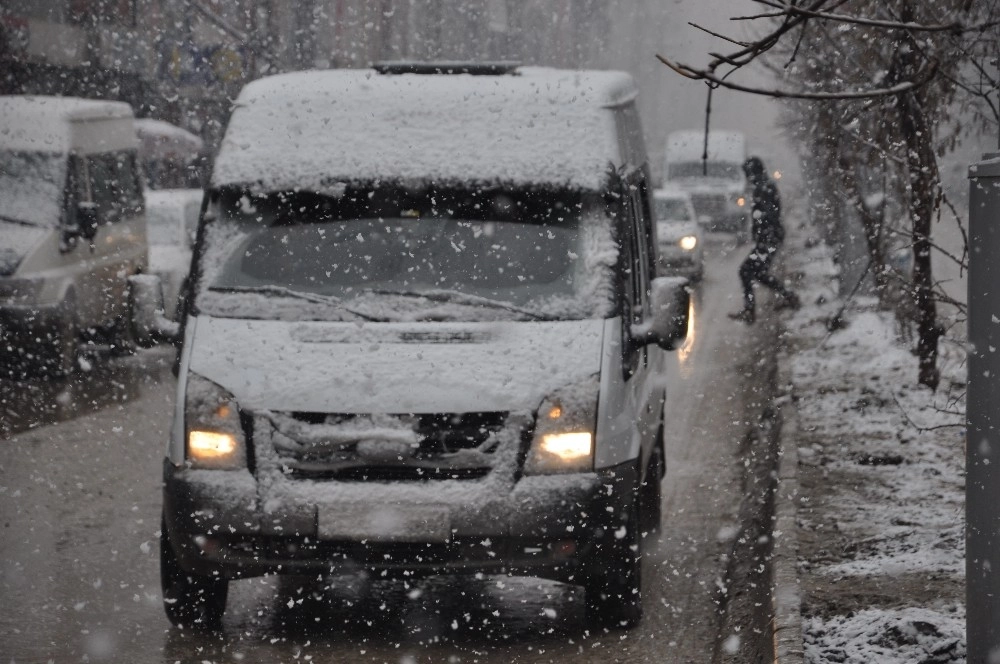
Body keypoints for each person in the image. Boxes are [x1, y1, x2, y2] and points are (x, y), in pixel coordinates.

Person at [728, 156, 799, 324]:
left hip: (769, 238)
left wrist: (763, 233)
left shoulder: (763, 188)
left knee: (746, 271)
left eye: (747, 173)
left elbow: (768, 214)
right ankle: (787, 296)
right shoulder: (764, 186)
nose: (746, 177)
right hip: (770, 238)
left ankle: (751, 310)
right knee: (757, 273)